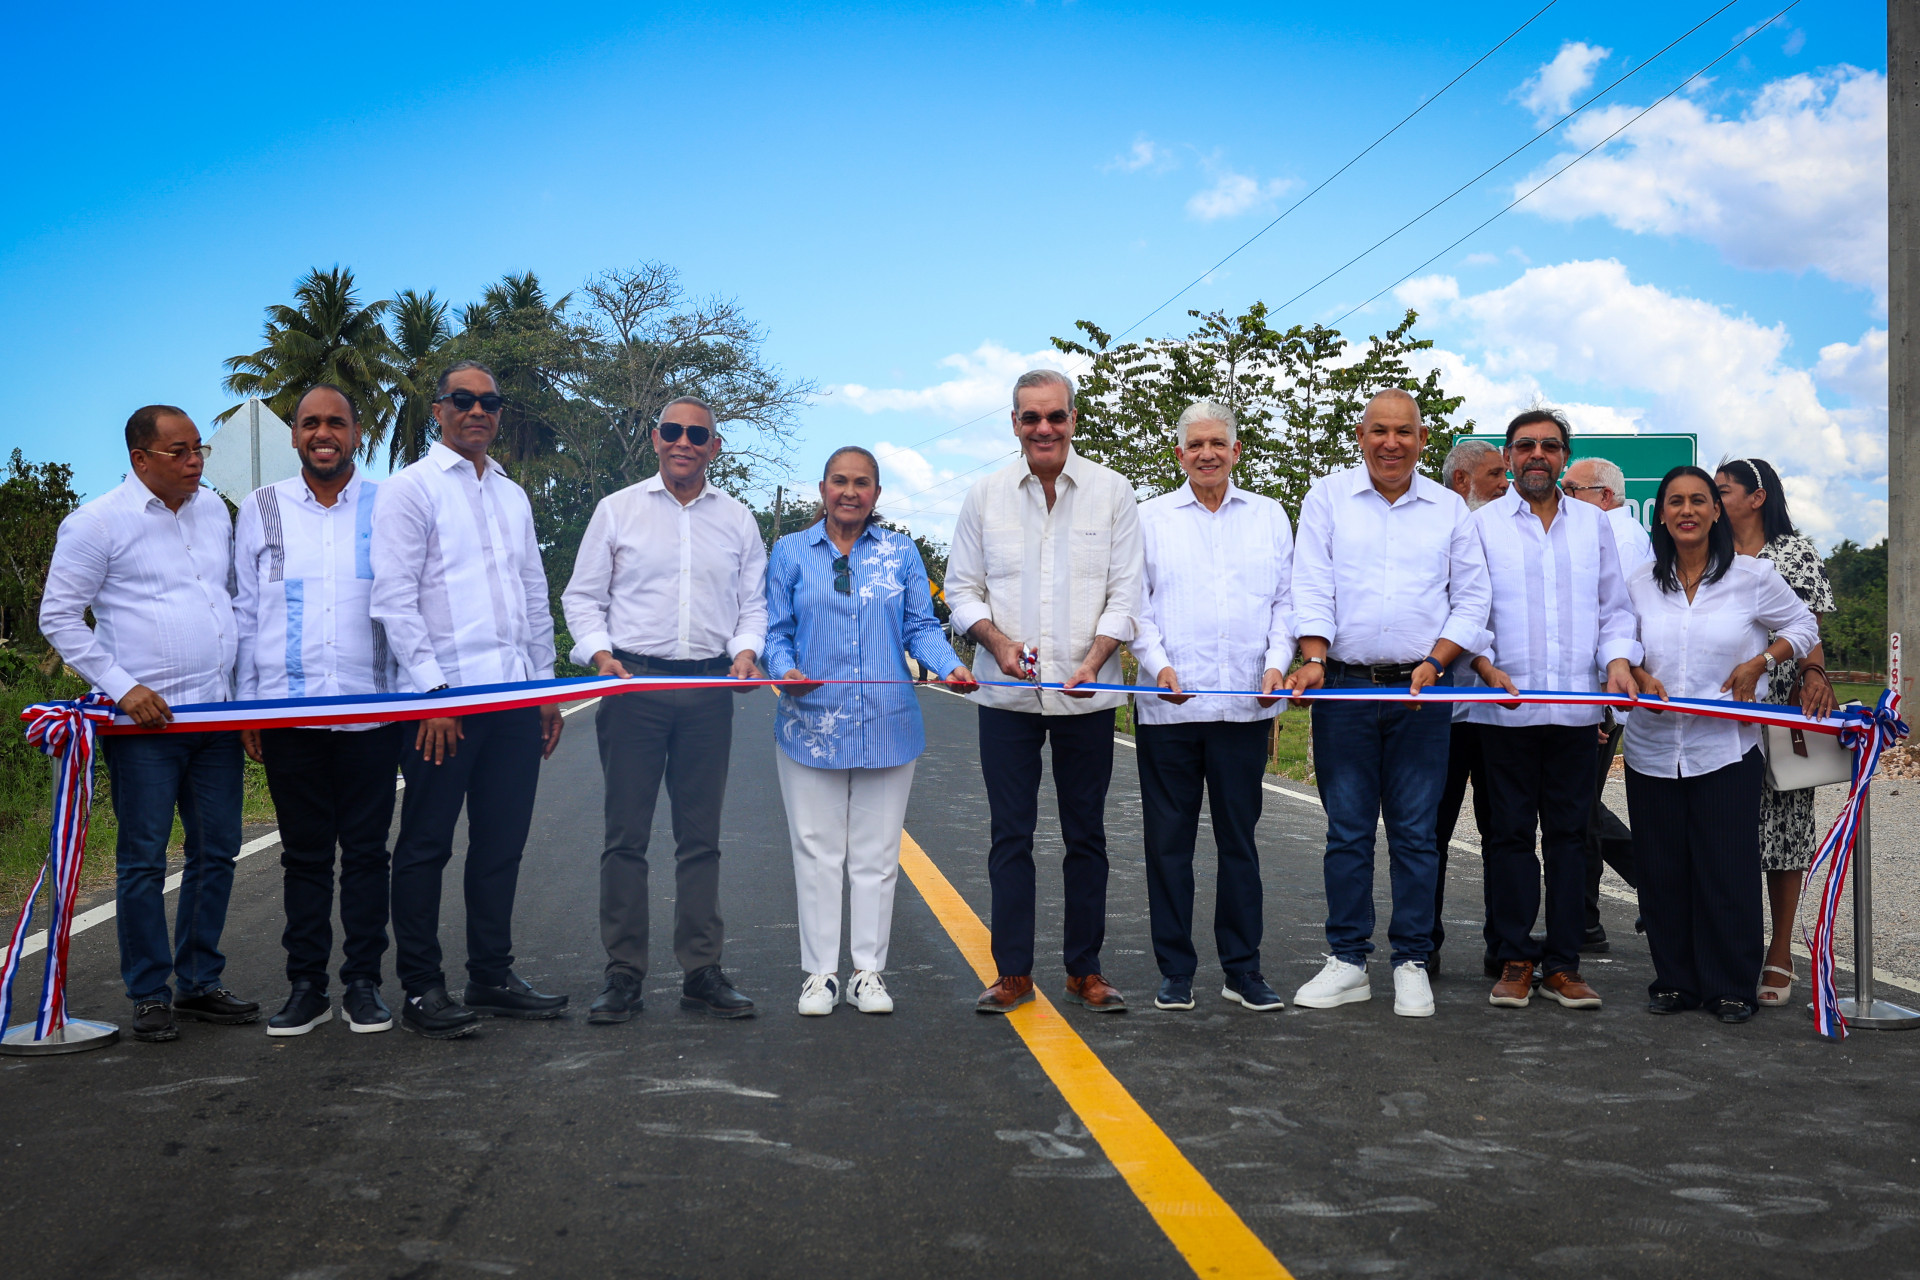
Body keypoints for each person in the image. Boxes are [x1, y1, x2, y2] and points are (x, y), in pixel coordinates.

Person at [39, 405, 259, 1043]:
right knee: (143, 860)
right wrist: (122, 686)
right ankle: (149, 993)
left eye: (199, 449)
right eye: (178, 451)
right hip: (146, 728)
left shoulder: (213, 510)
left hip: (215, 715)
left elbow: (227, 602)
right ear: (140, 459)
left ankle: (198, 982)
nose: (194, 462)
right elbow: (58, 617)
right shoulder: (97, 523)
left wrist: (245, 700)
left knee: (217, 850)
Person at [371, 361, 567, 1039]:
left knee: (501, 844)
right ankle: (422, 988)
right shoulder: (410, 489)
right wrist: (432, 694)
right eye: (463, 399)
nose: (478, 410)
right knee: (426, 845)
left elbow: (533, 593)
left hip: (513, 696)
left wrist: (544, 688)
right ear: (438, 409)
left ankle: (491, 975)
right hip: (444, 702)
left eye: (490, 401)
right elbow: (394, 599)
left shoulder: (512, 494)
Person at [562, 395, 769, 1024]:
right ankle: (623, 974)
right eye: (673, 431)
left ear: (715, 447)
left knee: (700, 838)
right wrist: (600, 656)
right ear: (655, 438)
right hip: (633, 687)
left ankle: (701, 971)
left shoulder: (738, 520)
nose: (684, 442)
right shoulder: (617, 510)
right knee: (625, 837)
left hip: (708, 691)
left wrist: (745, 652)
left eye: (697, 434)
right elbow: (582, 597)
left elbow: (752, 605)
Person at [1286, 389, 1490, 1018]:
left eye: (1404, 432)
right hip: (1344, 687)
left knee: (1416, 835)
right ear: (1361, 435)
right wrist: (1314, 658)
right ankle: (1348, 961)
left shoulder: (1449, 509)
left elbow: (1472, 599)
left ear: (1423, 440)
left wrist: (1437, 663)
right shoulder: (1327, 499)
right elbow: (1311, 584)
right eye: (1379, 430)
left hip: (1422, 693)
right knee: (1347, 831)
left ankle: (1411, 962)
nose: (1391, 443)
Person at [946, 369, 1143, 1015]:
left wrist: (1096, 660)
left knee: (1087, 836)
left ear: (1073, 419)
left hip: (1088, 695)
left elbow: (1126, 593)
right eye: (1030, 417)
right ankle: (1013, 973)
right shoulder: (985, 496)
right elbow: (962, 589)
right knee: (1011, 836)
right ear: (1014, 424)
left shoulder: (1113, 492)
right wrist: (998, 643)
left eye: (1055, 416)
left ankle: (1085, 971)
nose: (1044, 428)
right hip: (1007, 698)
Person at [764, 447, 976, 1015]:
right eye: (839, 481)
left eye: (862, 483)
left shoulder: (900, 552)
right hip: (811, 724)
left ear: (876, 494)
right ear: (823, 488)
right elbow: (775, 631)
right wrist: (783, 671)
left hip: (887, 725)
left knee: (877, 856)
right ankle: (819, 976)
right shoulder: (790, 552)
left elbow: (920, 626)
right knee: (816, 851)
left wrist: (948, 665)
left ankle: (867, 974)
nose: (850, 492)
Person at [234, 385, 404, 1037]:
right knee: (303, 857)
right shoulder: (262, 507)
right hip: (288, 715)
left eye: (336, 422)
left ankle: (363, 984)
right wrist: (246, 707)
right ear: (295, 436)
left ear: (357, 433)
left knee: (366, 855)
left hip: (373, 713)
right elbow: (246, 611)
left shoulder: (389, 505)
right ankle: (306, 987)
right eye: (310, 423)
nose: (322, 433)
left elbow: (411, 602)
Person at [1623, 466, 1820, 1024]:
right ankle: (1674, 981)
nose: (1687, 510)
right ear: (1661, 514)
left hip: (1726, 750)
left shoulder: (1752, 577)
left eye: (1699, 501)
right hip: (1652, 749)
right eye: (1675, 501)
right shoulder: (1638, 582)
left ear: (1715, 512)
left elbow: (1803, 625)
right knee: (1662, 871)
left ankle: (1730, 984)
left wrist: (1762, 661)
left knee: (1727, 870)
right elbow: (1614, 642)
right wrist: (1635, 673)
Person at [1463, 410, 1640, 1012]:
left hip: (1576, 712)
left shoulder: (1593, 525)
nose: (1537, 454)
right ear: (1509, 457)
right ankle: (1514, 959)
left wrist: (1618, 662)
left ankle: (1563, 965)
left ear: (1564, 456)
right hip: (1503, 711)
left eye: (1549, 445)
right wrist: (1483, 665)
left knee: (1570, 838)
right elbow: (1467, 607)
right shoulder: (1482, 525)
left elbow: (1615, 608)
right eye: (1525, 445)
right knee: (1509, 838)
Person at [1132, 400, 1294, 1014]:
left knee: (1239, 844)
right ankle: (1175, 971)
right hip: (1169, 710)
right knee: (1168, 846)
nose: (1207, 454)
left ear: (1236, 451)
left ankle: (1242, 970)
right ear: (1179, 454)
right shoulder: (1149, 518)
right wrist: (1158, 666)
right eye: (1195, 444)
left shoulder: (1269, 516)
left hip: (1245, 710)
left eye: (1217, 443)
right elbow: (1134, 605)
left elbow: (1285, 602)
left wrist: (1277, 663)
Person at [1714, 457, 1838, 1006]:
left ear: (1757, 497)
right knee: (1728, 828)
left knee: (1785, 827)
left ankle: (1780, 951)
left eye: (1723, 490)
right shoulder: (1711, 550)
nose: (1716, 499)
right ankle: (1729, 947)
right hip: (1723, 706)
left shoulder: (1794, 553)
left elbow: (1809, 628)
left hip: (1782, 706)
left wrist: (1813, 673)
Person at [1562, 455, 1651, 948]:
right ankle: (1596, 912)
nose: (1564, 497)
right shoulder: (1612, 531)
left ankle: (1588, 919)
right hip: (1597, 692)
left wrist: (1598, 700)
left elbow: (1617, 619)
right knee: (1579, 805)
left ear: (1605, 495)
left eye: (1572, 490)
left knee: (1576, 809)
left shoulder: (1617, 536)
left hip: (1600, 692)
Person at [1433, 437, 1509, 978]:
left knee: (1503, 833)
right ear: (1463, 481)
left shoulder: (1509, 531)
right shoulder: (1434, 529)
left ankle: (1506, 948)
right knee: (1428, 833)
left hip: (1496, 713)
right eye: (1495, 475)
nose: (1506, 484)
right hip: (1440, 711)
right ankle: (1422, 944)